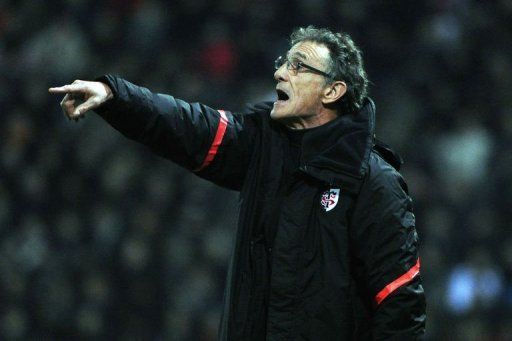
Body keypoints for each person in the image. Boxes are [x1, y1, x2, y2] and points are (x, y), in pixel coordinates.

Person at [50, 26, 426, 340]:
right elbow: (187, 124)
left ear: (333, 91)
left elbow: (399, 303)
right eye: (283, 63)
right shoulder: (260, 147)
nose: (280, 73)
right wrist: (115, 97)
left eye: (299, 66)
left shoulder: (374, 182)